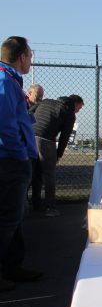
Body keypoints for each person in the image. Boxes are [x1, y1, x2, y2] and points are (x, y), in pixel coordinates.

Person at [0, 36, 42, 291]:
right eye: (30, 55)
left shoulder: (11, 80)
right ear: (23, 56)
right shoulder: (5, 80)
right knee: (8, 217)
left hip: (14, 159)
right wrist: (19, 153)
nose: (31, 60)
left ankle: (11, 266)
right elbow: (5, 123)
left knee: (14, 216)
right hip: (10, 161)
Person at [30, 94, 85, 217]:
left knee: (33, 172)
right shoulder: (69, 113)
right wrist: (59, 154)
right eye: (79, 108)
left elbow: (30, 111)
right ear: (75, 103)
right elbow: (65, 136)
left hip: (29, 136)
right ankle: (50, 207)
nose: (78, 111)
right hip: (46, 140)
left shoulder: (46, 101)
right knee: (49, 174)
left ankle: (33, 203)